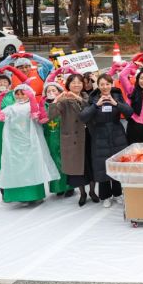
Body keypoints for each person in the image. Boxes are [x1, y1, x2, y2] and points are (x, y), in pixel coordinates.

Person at [0, 85, 59, 204]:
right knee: (16, 168)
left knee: (32, 168)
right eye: (17, 94)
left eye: (23, 93)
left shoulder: (32, 106)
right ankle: (19, 196)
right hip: (14, 144)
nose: (20, 96)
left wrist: (32, 99)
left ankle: (35, 195)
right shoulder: (10, 108)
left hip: (31, 143)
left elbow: (36, 115)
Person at [80, 74, 133, 208]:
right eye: (102, 84)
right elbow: (83, 117)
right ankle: (105, 196)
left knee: (117, 163)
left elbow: (129, 112)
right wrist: (96, 105)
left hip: (117, 133)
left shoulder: (117, 95)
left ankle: (117, 193)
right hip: (99, 134)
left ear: (111, 84)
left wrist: (116, 103)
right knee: (101, 165)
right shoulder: (93, 98)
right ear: (98, 85)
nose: (105, 87)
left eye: (107, 84)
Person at [48, 74, 95, 206]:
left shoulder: (86, 97)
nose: (76, 85)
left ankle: (92, 191)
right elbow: (51, 115)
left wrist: (77, 98)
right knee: (77, 167)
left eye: (79, 82)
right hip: (74, 138)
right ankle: (83, 193)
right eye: (73, 83)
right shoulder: (64, 100)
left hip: (88, 135)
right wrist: (57, 99)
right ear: (68, 85)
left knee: (90, 164)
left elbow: (91, 108)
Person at [42, 82, 74, 197]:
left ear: (59, 92)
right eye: (48, 91)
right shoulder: (43, 105)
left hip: (63, 136)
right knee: (53, 161)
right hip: (50, 138)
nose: (51, 93)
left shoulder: (65, 103)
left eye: (54, 90)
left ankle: (69, 186)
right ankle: (57, 187)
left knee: (65, 161)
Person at [119, 64, 143, 144]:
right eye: (141, 78)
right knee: (133, 152)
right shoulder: (132, 90)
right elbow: (122, 76)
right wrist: (133, 64)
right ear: (138, 79)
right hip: (134, 125)